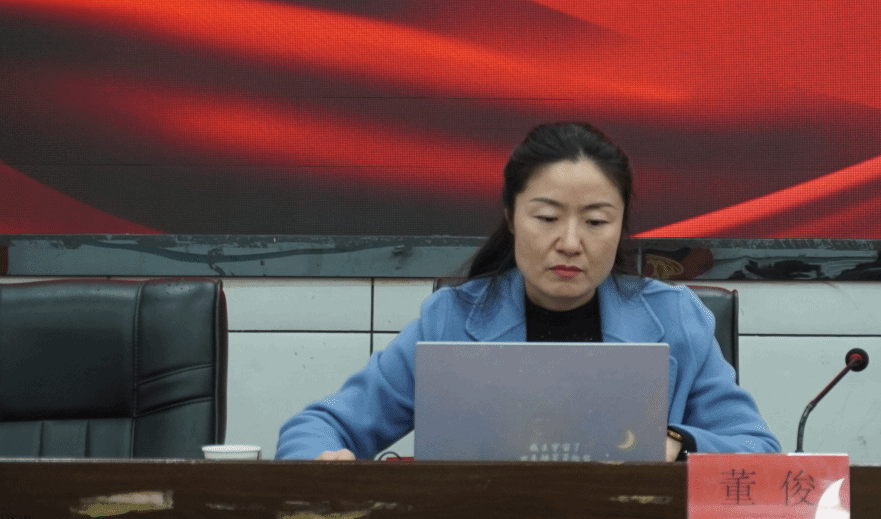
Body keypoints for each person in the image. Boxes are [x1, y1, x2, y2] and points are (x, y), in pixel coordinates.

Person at [277, 122, 780, 459]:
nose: (571, 243)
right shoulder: (451, 320)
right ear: (512, 217)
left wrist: (677, 444)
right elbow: (317, 426)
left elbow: (758, 451)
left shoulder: (675, 319)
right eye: (547, 217)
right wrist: (324, 462)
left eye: (596, 221)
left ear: (622, 224)